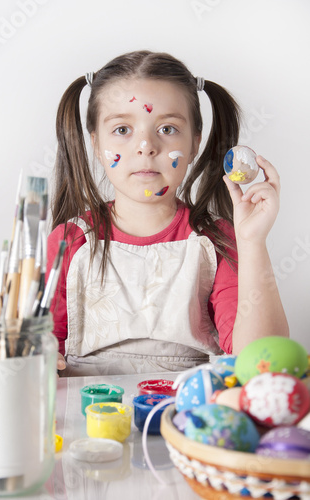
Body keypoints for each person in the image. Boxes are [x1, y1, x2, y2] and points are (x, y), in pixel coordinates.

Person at [47, 50, 289, 377]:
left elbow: (263, 362)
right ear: (95, 142)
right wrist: (41, 354)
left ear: (195, 144)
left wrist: (252, 242)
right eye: (122, 130)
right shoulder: (68, 241)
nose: (146, 146)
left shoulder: (216, 241)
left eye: (167, 129)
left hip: (184, 418)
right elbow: (37, 350)